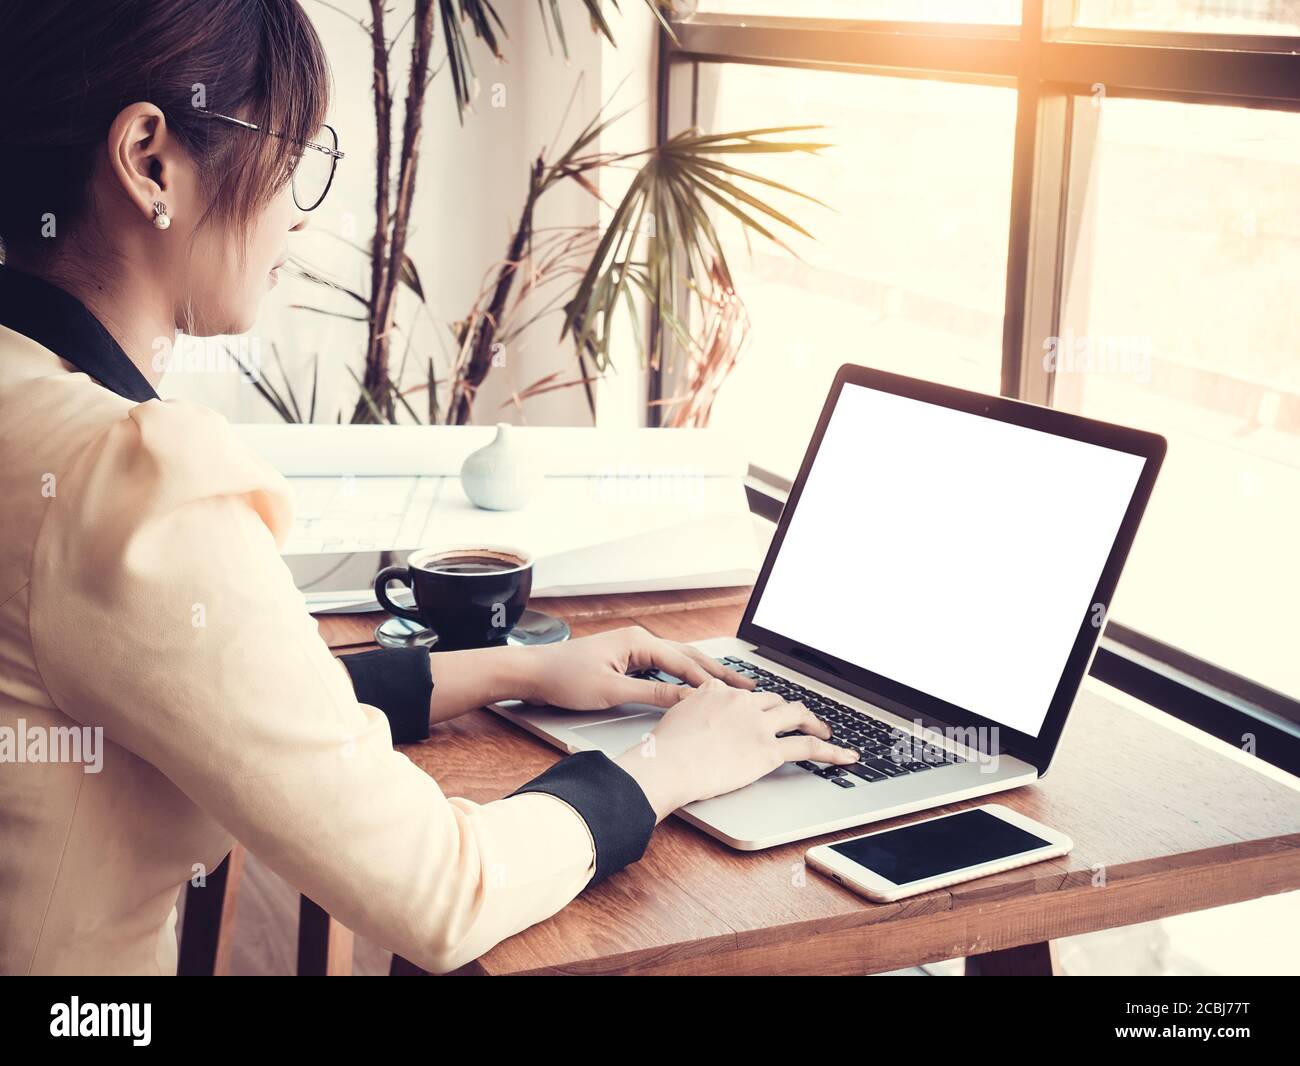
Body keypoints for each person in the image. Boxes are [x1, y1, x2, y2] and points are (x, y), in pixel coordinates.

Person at [0, 0, 857, 975]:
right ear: (151, 157)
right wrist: (670, 765)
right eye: (291, 155)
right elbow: (436, 888)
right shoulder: (124, 480)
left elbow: (229, 691)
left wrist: (520, 670)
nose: (299, 205)